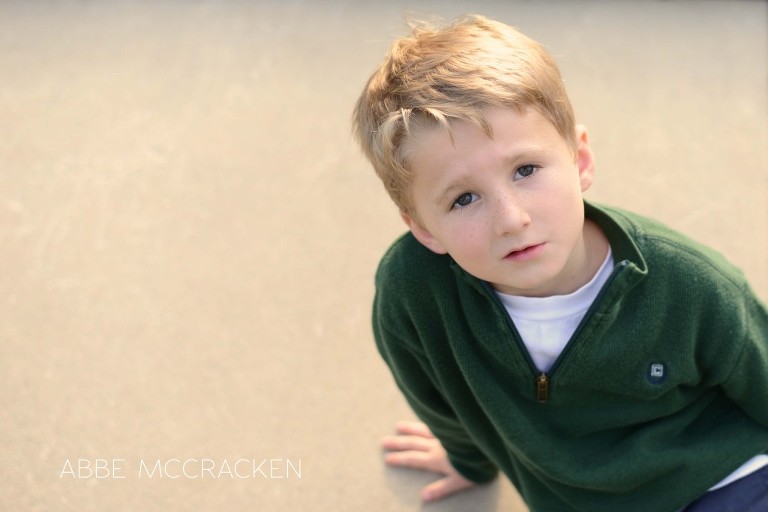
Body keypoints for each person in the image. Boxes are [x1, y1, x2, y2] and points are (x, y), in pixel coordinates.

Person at [351, 14, 768, 512]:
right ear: (421, 226)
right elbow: (434, 392)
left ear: (580, 159)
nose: (511, 218)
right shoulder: (415, 292)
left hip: (725, 478)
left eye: (526, 170)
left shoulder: (689, 282)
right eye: (464, 199)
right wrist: (467, 459)